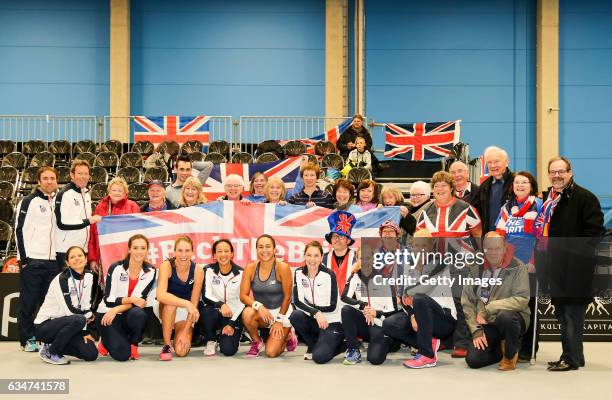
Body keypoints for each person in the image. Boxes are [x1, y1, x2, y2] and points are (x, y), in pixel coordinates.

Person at [535, 157, 605, 371]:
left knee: (572, 315)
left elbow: (595, 232)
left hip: (575, 269)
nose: (557, 176)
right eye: (552, 172)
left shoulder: (585, 197)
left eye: (561, 172)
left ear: (570, 172)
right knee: (562, 314)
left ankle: (571, 359)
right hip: (555, 267)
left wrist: (572, 254)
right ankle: (573, 355)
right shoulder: (549, 199)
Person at [416, 171, 482, 358]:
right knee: (438, 301)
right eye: (436, 186)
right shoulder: (425, 211)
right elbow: (421, 239)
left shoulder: (465, 208)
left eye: (444, 185)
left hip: (461, 262)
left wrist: (478, 258)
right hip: (436, 263)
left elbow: (477, 233)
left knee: (460, 301)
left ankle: (461, 342)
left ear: (451, 188)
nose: (440, 189)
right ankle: (445, 339)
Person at [383, 229, 457, 369]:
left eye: (424, 245)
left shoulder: (440, 263)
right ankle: (428, 342)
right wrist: (412, 316)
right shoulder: (407, 266)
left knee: (419, 298)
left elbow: (424, 288)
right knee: (389, 324)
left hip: (443, 320)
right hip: (420, 315)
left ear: (431, 246)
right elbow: (404, 299)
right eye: (416, 245)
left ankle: (427, 355)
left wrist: (407, 293)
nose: (420, 249)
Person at [463, 233, 530, 371]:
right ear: (483, 249)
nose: (493, 253)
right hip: (488, 322)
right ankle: (501, 348)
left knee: (505, 317)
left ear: (505, 248)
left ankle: (510, 354)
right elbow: (467, 301)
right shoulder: (476, 268)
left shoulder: (518, 267)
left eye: (497, 248)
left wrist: (490, 308)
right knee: (473, 360)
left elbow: (522, 300)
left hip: (513, 319)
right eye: (489, 249)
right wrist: (476, 331)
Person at [494, 171, 542, 361]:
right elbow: (499, 236)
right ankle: (510, 346)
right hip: (508, 267)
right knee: (508, 307)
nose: (520, 185)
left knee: (528, 307)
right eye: (516, 182)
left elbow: (542, 237)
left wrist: (534, 261)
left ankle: (528, 349)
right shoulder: (507, 207)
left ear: (531, 185)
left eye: (524, 182)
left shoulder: (539, 206)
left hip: (529, 265)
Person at [15, 166, 59, 352]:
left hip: (53, 261)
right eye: (45, 178)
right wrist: (24, 259)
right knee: (29, 302)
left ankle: (45, 337)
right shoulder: (29, 201)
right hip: (33, 260)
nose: (49, 181)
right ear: (39, 181)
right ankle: (27, 338)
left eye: (52, 178)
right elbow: (19, 230)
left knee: (49, 303)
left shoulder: (58, 201)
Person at [96, 234, 157, 361]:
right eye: (135, 248)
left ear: (147, 250)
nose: (139, 252)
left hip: (122, 312)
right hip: (107, 313)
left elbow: (140, 302)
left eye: (143, 248)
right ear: (129, 249)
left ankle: (133, 344)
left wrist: (118, 309)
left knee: (139, 314)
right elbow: (109, 299)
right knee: (122, 356)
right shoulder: (116, 267)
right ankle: (106, 340)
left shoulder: (151, 271)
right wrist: (131, 300)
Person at [33, 246, 98, 364]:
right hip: (46, 326)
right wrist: (88, 315)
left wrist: (84, 331)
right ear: (67, 262)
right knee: (78, 319)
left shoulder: (89, 276)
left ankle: (50, 345)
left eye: (80, 255)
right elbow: (69, 310)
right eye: (72, 257)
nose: (77, 259)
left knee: (91, 354)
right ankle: (51, 352)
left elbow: (85, 304)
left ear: (86, 259)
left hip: (69, 325)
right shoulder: (61, 279)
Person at [341, 245, 401, 365]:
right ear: (357, 260)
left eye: (368, 258)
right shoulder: (355, 276)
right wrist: (362, 305)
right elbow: (344, 297)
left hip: (380, 325)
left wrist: (376, 313)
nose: (364, 261)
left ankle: (389, 342)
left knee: (374, 359)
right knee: (346, 310)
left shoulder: (384, 278)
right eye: (361, 258)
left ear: (373, 259)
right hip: (365, 324)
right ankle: (353, 350)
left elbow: (394, 310)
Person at [240, 234, 297, 358]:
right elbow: (243, 296)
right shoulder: (250, 268)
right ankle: (257, 342)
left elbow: (288, 297)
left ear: (274, 249)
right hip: (263, 313)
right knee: (247, 313)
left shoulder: (283, 267)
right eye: (260, 247)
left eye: (268, 247)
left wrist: (279, 320)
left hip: (282, 312)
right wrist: (258, 306)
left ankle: (288, 336)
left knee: (271, 353)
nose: (264, 250)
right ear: (256, 250)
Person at [290, 241, 344, 363]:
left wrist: (317, 312)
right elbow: (298, 301)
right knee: (295, 316)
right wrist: (315, 313)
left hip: (331, 320)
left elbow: (333, 306)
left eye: (316, 256)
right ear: (304, 256)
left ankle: (341, 345)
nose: (312, 259)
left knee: (319, 358)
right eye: (309, 255)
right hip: (315, 318)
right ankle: (312, 343)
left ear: (321, 258)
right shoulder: (298, 273)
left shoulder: (329, 274)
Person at [155, 236, 204, 360]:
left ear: (192, 252)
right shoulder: (166, 266)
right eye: (180, 250)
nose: (183, 254)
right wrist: (186, 303)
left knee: (181, 351)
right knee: (171, 304)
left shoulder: (198, 270)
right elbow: (160, 295)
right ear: (174, 251)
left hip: (186, 312)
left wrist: (185, 331)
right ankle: (166, 344)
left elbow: (194, 304)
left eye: (187, 251)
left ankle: (177, 335)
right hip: (166, 307)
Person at [54, 159, 102, 271]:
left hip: (82, 249)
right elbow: (62, 223)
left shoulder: (86, 194)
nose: (83, 177)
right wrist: (88, 221)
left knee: (81, 286)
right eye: (79, 173)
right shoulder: (64, 194)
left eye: (86, 174)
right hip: (66, 250)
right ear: (72, 175)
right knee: (68, 285)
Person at [201, 239, 245, 357]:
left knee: (228, 350)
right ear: (214, 255)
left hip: (233, 315)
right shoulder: (208, 270)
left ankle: (229, 337)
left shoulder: (241, 273)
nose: (223, 254)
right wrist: (221, 304)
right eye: (219, 251)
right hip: (215, 311)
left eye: (226, 251)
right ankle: (211, 340)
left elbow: (243, 301)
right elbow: (206, 295)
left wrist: (231, 323)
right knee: (205, 310)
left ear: (232, 254)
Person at [88, 177, 140, 272]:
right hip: (104, 256)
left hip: (125, 254)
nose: (117, 192)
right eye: (114, 190)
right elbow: (92, 235)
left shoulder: (133, 207)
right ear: (109, 192)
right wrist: (93, 259)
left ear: (125, 192)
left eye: (120, 190)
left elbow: (138, 234)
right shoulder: (100, 207)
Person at [477, 146, 514, 233]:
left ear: (506, 162)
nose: (493, 166)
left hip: (511, 238)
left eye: (496, 161)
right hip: (490, 239)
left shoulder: (517, 182)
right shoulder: (484, 187)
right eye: (489, 162)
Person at [322, 210, 357, 294]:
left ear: (348, 241)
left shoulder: (358, 258)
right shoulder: (323, 259)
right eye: (334, 236)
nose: (337, 239)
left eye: (341, 237)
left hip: (353, 304)